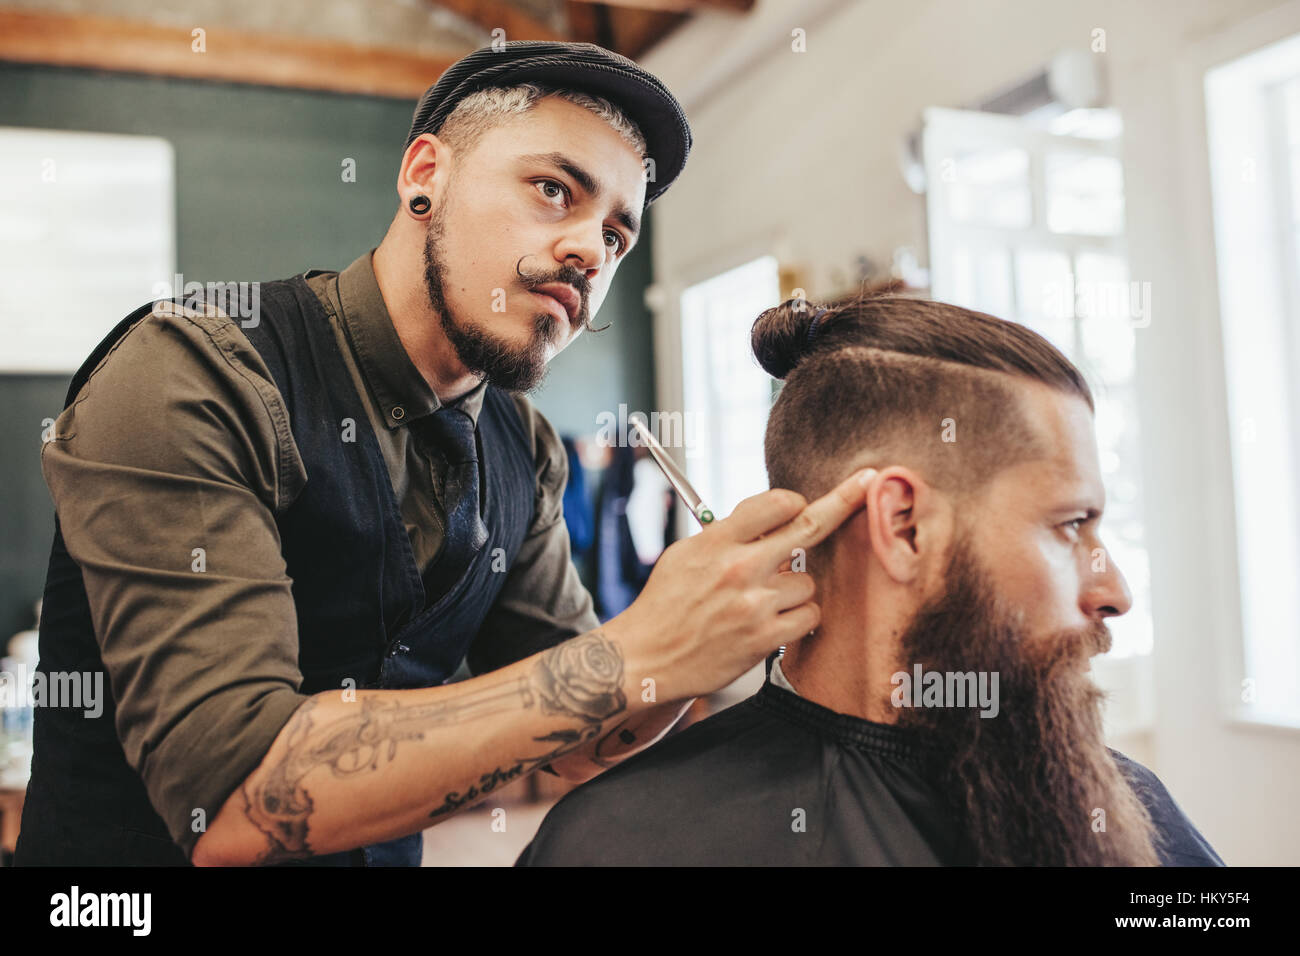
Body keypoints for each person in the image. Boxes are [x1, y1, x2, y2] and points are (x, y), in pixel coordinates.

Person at [15, 41, 871, 867]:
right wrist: (641, 650)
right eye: (551, 189)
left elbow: (587, 742)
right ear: (426, 174)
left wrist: (705, 637)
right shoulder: (195, 374)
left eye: (617, 237)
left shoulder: (522, 450)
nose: (587, 250)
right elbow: (236, 794)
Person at [516, 293, 1225, 866]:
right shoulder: (630, 843)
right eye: (1072, 524)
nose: (1116, 593)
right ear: (905, 525)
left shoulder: (1121, 804)